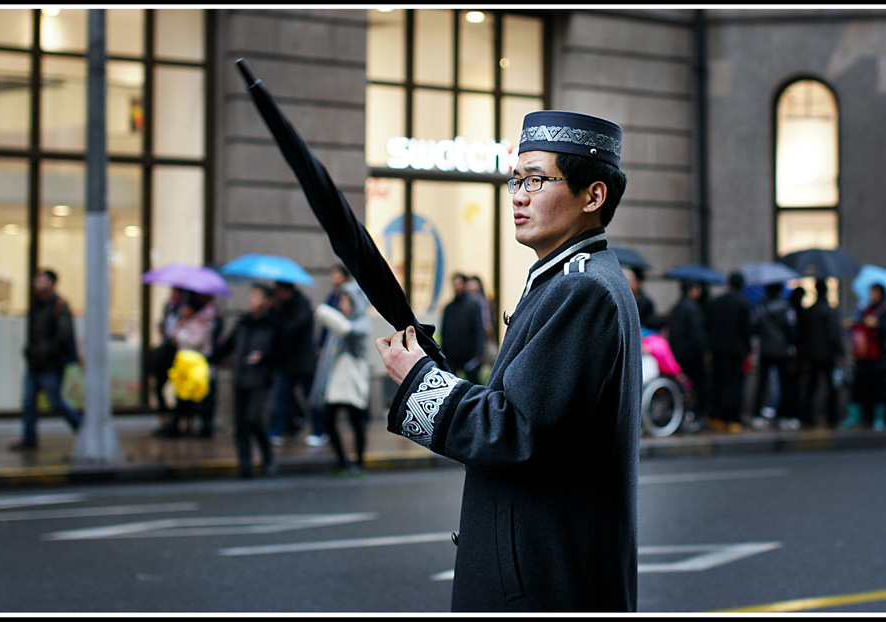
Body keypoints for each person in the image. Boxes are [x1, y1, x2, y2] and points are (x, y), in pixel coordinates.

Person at [376, 110, 641, 612]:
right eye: (515, 179)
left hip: (548, 584)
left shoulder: (581, 289)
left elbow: (516, 429)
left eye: (537, 179)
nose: (519, 195)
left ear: (594, 195)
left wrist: (419, 381)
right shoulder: (567, 280)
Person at [212, 283, 284, 478]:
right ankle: (245, 464)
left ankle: (267, 457)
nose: (251, 300)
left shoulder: (274, 324)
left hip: (261, 379)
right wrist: (210, 358)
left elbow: (283, 352)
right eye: (251, 296)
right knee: (240, 424)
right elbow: (228, 345)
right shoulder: (243, 322)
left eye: (256, 297)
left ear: (267, 302)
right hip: (241, 378)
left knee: (255, 420)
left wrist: (264, 356)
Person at [11, 268, 83, 451]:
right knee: (28, 401)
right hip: (35, 362)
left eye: (42, 280)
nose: (37, 284)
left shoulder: (59, 305)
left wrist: (48, 352)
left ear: (51, 283)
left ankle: (82, 427)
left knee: (55, 401)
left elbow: (64, 334)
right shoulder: (36, 305)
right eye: (36, 280)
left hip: (50, 363)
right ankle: (29, 438)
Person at [311, 281, 372, 475]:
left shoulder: (361, 322)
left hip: (352, 380)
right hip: (338, 381)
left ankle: (359, 462)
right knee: (328, 419)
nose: (342, 305)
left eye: (346, 301)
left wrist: (322, 311)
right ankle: (342, 460)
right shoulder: (341, 322)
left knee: (357, 423)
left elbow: (347, 330)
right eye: (342, 301)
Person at [153, 291, 220, 438]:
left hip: (198, 367)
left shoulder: (203, 321)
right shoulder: (182, 321)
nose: (184, 310)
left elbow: (195, 341)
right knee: (181, 398)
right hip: (183, 367)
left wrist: (183, 335)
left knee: (201, 400)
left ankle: (203, 428)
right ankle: (176, 427)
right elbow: (173, 337)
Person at [840, 282, 886, 431]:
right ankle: (855, 417)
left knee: (879, 388)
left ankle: (879, 418)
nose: (873, 295)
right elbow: (856, 323)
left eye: (876, 292)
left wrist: (878, 325)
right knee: (859, 387)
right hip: (863, 355)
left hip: (879, 356)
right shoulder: (865, 307)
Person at [267, 280, 318, 446]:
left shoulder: (302, 305)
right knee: (282, 397)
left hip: (303, 362)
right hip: (287, 362)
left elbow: (291, 328)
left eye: (278, 291)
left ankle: (319, 431)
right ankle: (277, 430)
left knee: (311, 399)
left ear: (285, 290)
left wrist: (278, 312)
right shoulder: (281, 306)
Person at [705, 271, 752, 432]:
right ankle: (732, 418)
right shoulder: (744, 304)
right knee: (733, 386)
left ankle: (716, 416)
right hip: (735, 352)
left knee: (718, 384)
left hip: (717, 350)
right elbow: (746, 331)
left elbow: (709, 326)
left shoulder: (716, 302)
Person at [751, 282, 799, 428]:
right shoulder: (786, 308)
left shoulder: (760, 308)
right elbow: (793, 330)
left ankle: (758, 414)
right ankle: (786, 415)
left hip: (766, 350)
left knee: (762, 383)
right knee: (786, 384)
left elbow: (754, 328)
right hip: (782, 350)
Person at [800, 279, 844, 428]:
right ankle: (832, 416)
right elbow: (833, 334)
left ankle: (808, 416)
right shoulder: (829, 311)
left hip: (811, 354)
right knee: (830, 387)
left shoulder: (810, 311)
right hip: (827, 354)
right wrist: (839, 352)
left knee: (811, 386)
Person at [666, 279, 707, 420]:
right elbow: (697, 333)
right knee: (695, 384)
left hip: (678, 352)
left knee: (682, 384)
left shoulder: (676, 307)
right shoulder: (693, 308)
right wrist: (703, 349)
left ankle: (683, 414)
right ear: (691, 289)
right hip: (692, 353)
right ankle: (694, 414)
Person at [440, 273, 487, 383]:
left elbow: (479, 331)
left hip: (469, 356)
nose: (456, 287)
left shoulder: (473, 306)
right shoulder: (449, 308)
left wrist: (478, 355)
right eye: (454, 284)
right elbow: (445, 332)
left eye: (459, 283)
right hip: (452, 356)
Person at [146, 287, 184, 417]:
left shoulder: (185, 309)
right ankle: (164, 416)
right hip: (167, 350)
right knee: (158, 384)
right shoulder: (169, 307)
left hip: (178, 352)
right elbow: (164, 327)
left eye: (176, 293)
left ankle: (177, 418)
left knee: (179, 387)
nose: (173, 295)